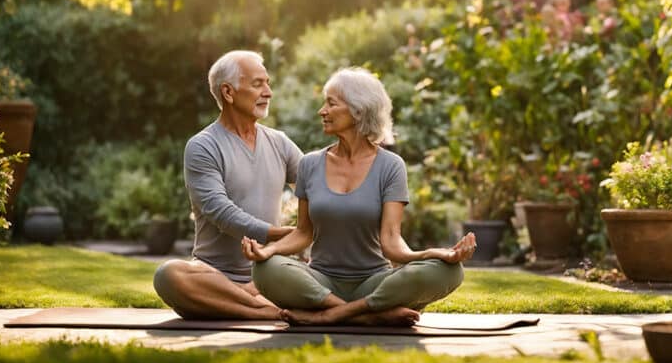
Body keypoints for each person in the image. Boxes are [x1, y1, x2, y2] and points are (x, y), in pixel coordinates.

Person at [242, 67, 476, 326]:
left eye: (331, 103)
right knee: (265, 269)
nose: (322, 111)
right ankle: (371, 315)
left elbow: (391, 241)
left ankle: (334, 314)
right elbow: (303, 233)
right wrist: (269, 251)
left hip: (374, 282)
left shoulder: (390, 166)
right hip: (320, 282)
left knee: (450, 271)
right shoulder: (310, 164)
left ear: (358, 110)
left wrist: (431, 253)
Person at [153, 50, 302, 319]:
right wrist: (277, 234)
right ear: (228, 92)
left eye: (268, 83)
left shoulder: (280, 142)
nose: (268, 91)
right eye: (258, 84)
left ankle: (245, 303)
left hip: (270, 274)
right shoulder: (203, 146)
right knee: (169, 275)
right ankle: (267, 311)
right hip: (215, 276)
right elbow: (220, 211)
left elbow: (319, 190)